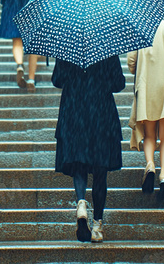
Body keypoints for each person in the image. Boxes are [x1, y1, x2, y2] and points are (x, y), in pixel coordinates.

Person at [52, 55, 125, 243]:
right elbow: (118, 83)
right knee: (100, 169)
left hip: (74, 110)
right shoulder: (107, 47)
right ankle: (98, 225)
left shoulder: (67, 46)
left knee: (79, 161)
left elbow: (57, 80)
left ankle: (81, 203)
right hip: (101, 112)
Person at [127, 20, 164, 200]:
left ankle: (150, 164)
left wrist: (135, 70)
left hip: (145, 86)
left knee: (149, 134)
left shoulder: (137, 27)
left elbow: (131, 60)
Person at [0, 0, 48, 92]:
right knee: (33, 41)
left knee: (16, 38)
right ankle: (31, 80)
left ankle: (20, 66)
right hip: (32, 0)